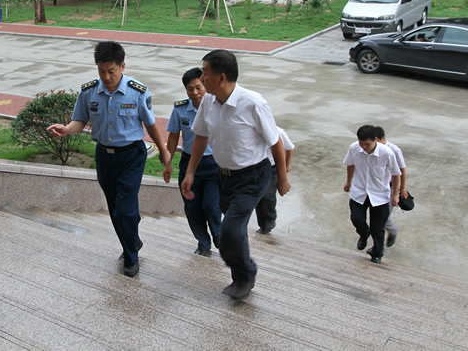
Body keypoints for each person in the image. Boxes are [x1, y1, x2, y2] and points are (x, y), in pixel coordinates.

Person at [47, 41, 170, 277]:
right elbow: (80, 120)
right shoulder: (89, 91)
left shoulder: (137, 91)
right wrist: (66, 129)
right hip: (104, 156)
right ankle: (132, 240)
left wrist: (163, 150)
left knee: (125, 210)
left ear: (122, 66)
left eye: (111, 71)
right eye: (101, 71)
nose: (106, 77)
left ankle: (131, 257)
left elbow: (150, 124)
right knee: (116, 209)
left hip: (132, 155)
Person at [180, 49, 290, 300]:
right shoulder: (208, 102)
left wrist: (282, 177)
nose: (201, 78)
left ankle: (247, 273)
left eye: (205, 73)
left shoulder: (253, 103)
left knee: (228, 231)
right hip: (224, 176)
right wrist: (190, 172)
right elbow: (201, 136)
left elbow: (276, 142)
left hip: (253, 176)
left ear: (221, 77)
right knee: (235, 231)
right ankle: (240, 277)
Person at [163, 67, 221, 257]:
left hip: (214, 164)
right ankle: (203, 243)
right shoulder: (180, 109)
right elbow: (173, 136)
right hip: (189, 164)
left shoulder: (218, 106)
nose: (195, 92)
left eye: (198, 87)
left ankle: (220, 238)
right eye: (190, 89)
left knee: (212, 206)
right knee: (192, 208)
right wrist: (168, 162)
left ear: (205, 85)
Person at [343, 125, 400, 265]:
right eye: (361, 143)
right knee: (356, 219)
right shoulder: (354, 148)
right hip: (359, 192)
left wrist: (395, 194)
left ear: (375, 140)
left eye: (367, 144)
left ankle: (377, 253)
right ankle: (364, 233)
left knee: (378, 228)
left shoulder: (387, 153)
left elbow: (396, 174)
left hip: (379, 195)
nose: (364, 147)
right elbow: (350, 164)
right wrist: (348, 181)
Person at [255, 127, 294, 234]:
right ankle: (262, 223)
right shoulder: (252, 130)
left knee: (267, 195)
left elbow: (289, 147)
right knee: (257, 196)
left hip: (272, 168)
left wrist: (287, 164)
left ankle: (268, 223)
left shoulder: (278, 131)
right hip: (254, 167)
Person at [375, 126, 408, 248]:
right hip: (377, 186)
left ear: (383, 139)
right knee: (377, 216)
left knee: (383, 217)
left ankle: (392, 232)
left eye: (377, 142)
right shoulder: (372, 149)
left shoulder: (394, 150)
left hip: (390, 187)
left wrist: (402, 189)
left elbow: (402, 170)